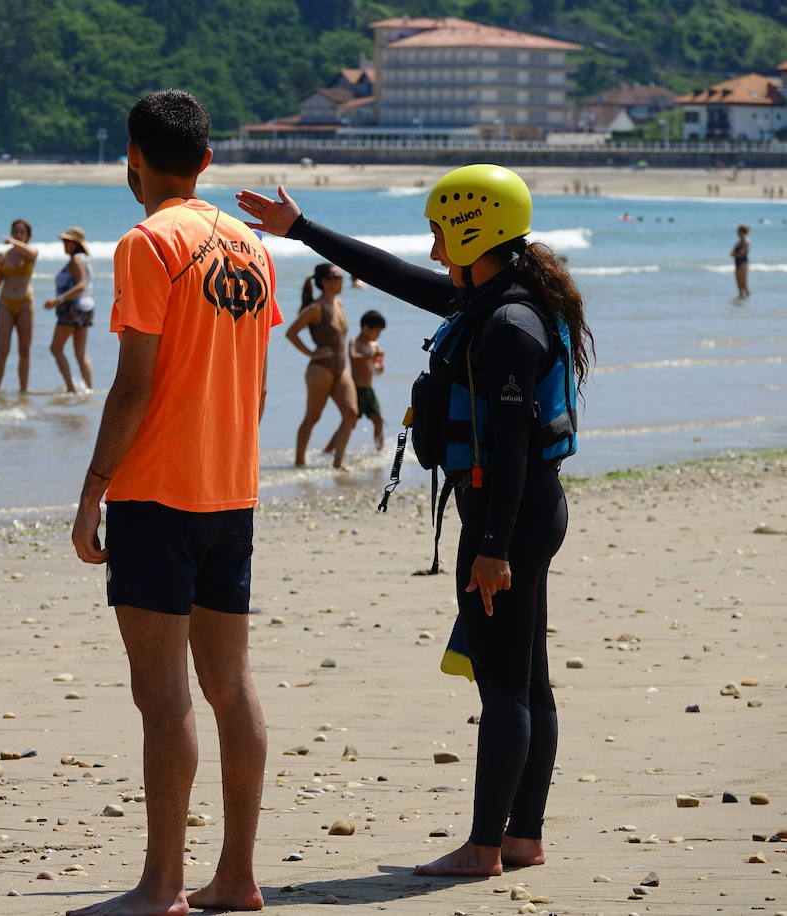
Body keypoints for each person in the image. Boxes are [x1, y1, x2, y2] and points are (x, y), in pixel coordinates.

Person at [237, 164, 591, 878]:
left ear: (474, 231)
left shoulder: (508, 326)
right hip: (521, 513)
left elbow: (515, 447)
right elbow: (395, 275)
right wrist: (300, 230)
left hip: (507, 519)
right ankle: (522, 838)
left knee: (505, 687)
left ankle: (484, 847)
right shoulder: (494, 301)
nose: (433, 250)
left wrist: (493, 548)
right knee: (527, 681)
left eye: (439, 233)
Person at [69, 88, 282, 916]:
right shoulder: (253, 249)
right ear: (208, 158)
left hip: (158, 493)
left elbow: (132, 386)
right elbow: (257, 387)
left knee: (162, 697)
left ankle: (162, 887)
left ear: (133, 155)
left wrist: (92, 492)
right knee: (232, 686)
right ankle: (237, 876)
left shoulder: (147, 243)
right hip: (232, 491)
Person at [284, 263, 356, 469]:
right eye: (336, 277)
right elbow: (291, 333)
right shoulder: (315, 308)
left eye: (342, 277)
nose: (341, 281)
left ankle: (338, 463)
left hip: (341, 368)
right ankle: (299, 463)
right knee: (312, 418)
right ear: (324, 282)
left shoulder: (339, 304)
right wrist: (313, 353)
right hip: (320, 370)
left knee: (351, 413)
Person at [0, 218, 39, 392]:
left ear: (28, 235)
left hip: (26, 303)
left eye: (22, 232)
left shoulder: (31, 252)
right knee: (3, 350)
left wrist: (13, 242)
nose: (18, 234)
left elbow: (32, 254)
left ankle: (23, 390)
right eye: (15, 231)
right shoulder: (4, 256)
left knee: (24, 351)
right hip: (6, 303)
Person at [44, 226, 95, 393]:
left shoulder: (76, 261)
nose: (64, 245)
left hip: (73, 308)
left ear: (75, 244)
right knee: (80, 353)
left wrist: (57, 300)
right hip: (86, 308)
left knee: (56, 348)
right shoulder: (84, 260)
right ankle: (88, 389)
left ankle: (71, 388)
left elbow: (81, 286)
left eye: (66, 241)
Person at [349, 310, 388, 451]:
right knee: (349, 423)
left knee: (378, 421)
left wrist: (379, 364)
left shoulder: (375, 345)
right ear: (366, 328)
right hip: (355, 389)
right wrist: (371, 355)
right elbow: (354, 356)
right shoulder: (355, 342)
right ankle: (329, 450)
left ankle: (380, 450)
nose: (378, 335)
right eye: (376, 332)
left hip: (369, 390)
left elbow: (378, 369)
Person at [731, 224, 751, 298]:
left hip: (743, 263)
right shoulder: (738, 242)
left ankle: (749, 300)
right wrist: (736, 254)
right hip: (737, 262)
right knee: (739, 285)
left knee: (744, 284)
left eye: (738, 231)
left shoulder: (746, 241)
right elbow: (732, 253)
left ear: (742, 232)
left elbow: (743, 253)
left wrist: (736, 254)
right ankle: (741, 302)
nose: (737, 233)